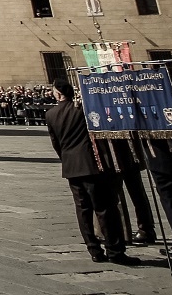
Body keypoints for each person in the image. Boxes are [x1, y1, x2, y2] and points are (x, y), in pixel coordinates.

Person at [45, 79, 132, 265]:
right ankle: (115, 251)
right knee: (104, 209)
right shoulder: (81, 110)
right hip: (91, 165)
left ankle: (94, 250)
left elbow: (56, 144)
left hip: (71, 167)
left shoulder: (50, 114)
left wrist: (67, 159)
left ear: (58, 94)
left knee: (83, 210)